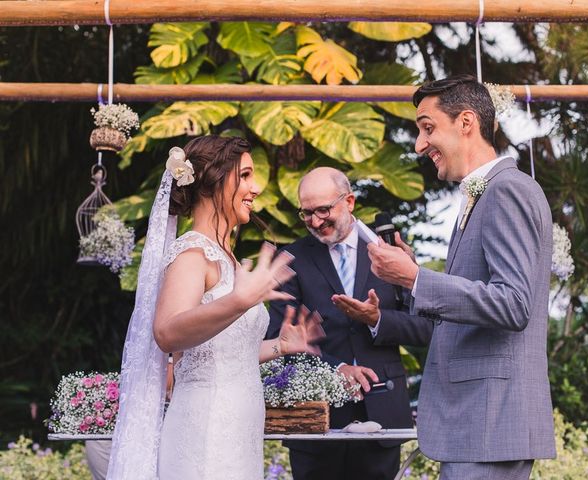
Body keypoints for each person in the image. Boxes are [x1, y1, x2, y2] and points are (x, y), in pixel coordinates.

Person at [368, 75, 557, 479]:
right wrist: (413, 276)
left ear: (466, 122)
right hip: (478, 424)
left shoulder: (507, 190)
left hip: (489, 421)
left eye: (428, 128)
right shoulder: (483, 193)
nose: (420, 145)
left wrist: (419, 279)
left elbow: (513, 303)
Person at [107, 135, 324, 480]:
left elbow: (220, 354)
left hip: (237, 434)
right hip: (204, 436)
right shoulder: (193, 254)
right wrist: (239, 301)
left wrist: (281, 345)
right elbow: (166, 332)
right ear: (213, 181)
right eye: (246, 176)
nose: (255, 188)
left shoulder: (228, 259)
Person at [267, 167, 432, 480]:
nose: (315, 222)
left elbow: (424, 328)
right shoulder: (290, 259)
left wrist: (377, 319)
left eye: (324, 210)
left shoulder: (390, 254)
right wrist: (337, 369)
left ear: (350, 202)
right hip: (315, 420)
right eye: (306, 213)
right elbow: (278, 339)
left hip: (383, 414)